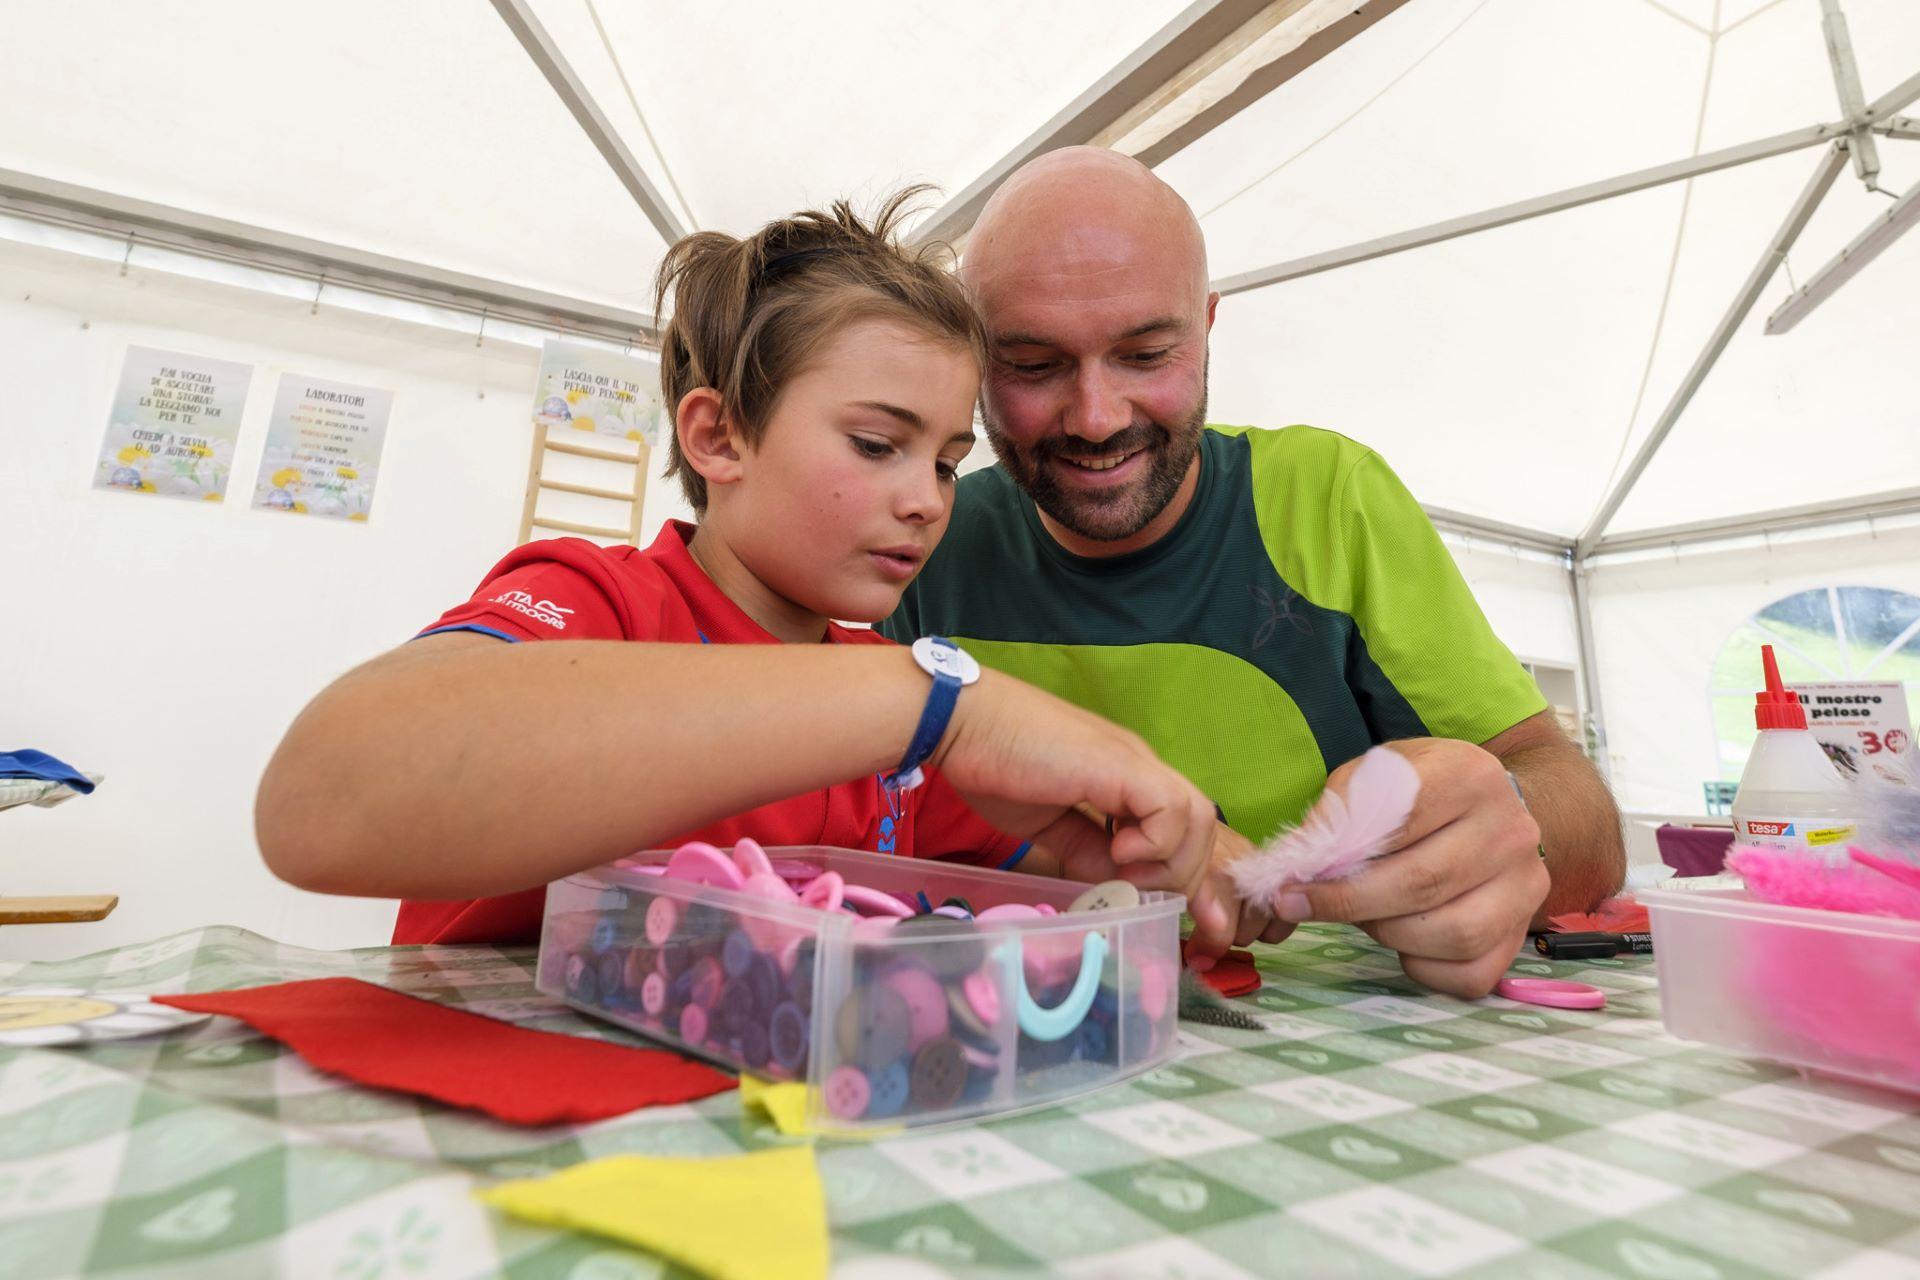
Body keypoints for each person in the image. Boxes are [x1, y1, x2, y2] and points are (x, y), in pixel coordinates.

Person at [256, 191, 1220, 943]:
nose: (928, 499)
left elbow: (1066, 879)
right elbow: (319, 798)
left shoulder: (888, 702)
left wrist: (1200, 863)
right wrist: (928, 704)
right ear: (719, 436)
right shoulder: (602, 601)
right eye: (878, 445)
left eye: (945, 461)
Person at [882, 149, 1625, 997]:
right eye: (1033, 365)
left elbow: (1585, 821)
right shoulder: (917, 533)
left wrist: (1510, 831)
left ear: (1206, 327)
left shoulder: (1330, 499)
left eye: (1145, 354)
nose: (1095, 417)